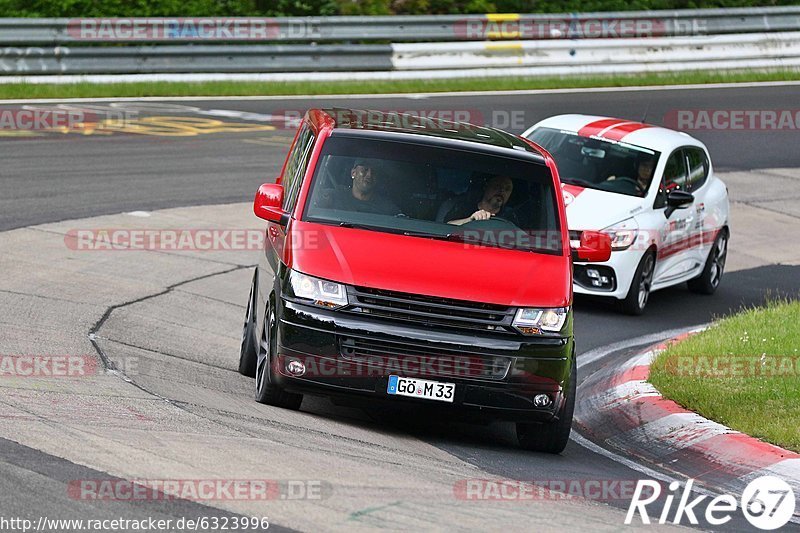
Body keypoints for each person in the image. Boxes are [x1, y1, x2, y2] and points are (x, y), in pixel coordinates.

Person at [320, 159, 402, 215]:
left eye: (374, 172)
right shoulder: (332, 196)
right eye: (365, 169)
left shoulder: (387, 209)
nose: (369, 175)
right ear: (353, 173)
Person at [445, 175, 515, 226]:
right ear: (486, 187)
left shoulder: (511, 216)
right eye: (497, 186)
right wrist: (470, 219)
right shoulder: (464, 206)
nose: (502, 191)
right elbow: (447, 226)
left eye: (507, 189)